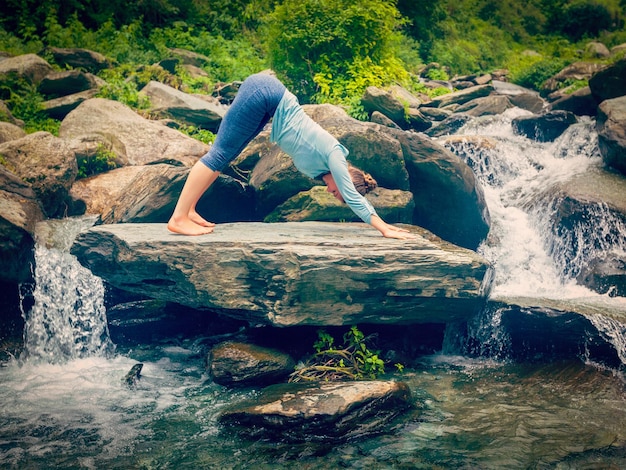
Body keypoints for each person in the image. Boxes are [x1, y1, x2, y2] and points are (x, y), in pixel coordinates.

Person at [167, 72, 414, 240]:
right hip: (266, 94)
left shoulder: (319, 169)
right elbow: (353, 196)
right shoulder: (336, 155)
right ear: (344, 181)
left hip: (268, 102)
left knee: (225, 157)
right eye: (337, 193)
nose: (331, 193)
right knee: (218, 155)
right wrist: (383, 228)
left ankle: (188, 210)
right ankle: (178, 217)